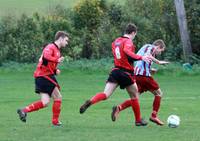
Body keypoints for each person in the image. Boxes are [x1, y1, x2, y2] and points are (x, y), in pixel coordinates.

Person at [79, 23, 152, 126]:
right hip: (126, 73)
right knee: (135, 96)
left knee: (105, 94)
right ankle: (138, 120)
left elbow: (120, 55)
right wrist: (141, 57)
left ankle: (90, 101)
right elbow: (126, 51)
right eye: (135, 34)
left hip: (115, 71)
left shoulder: (116, 41)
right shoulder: (128, 41)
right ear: (133, 33)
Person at [111, 39, 169, 126]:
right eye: (161, 51)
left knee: (135, 98)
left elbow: (139, 61)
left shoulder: (144, 48)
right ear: (158, 46)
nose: (159, 53)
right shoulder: (151, 47)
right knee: (159, 94)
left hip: (137, 75)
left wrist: (149, 69)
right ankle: (154, 116)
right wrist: (159, 62)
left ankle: (119, 108)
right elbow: (147, 55)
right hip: (144, 77)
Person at [17, 31, 69, 126]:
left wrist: (55, 70)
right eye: (66, 40)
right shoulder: (50, 47)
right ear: (60, 39)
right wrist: (56, 60)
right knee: (58, 97)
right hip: (44, 76)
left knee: (45, 102)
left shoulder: (57, 50)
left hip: (42, 76)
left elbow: (46, 63)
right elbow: (46, 56)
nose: (67, 43)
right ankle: (55, 121)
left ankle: (24, 110)